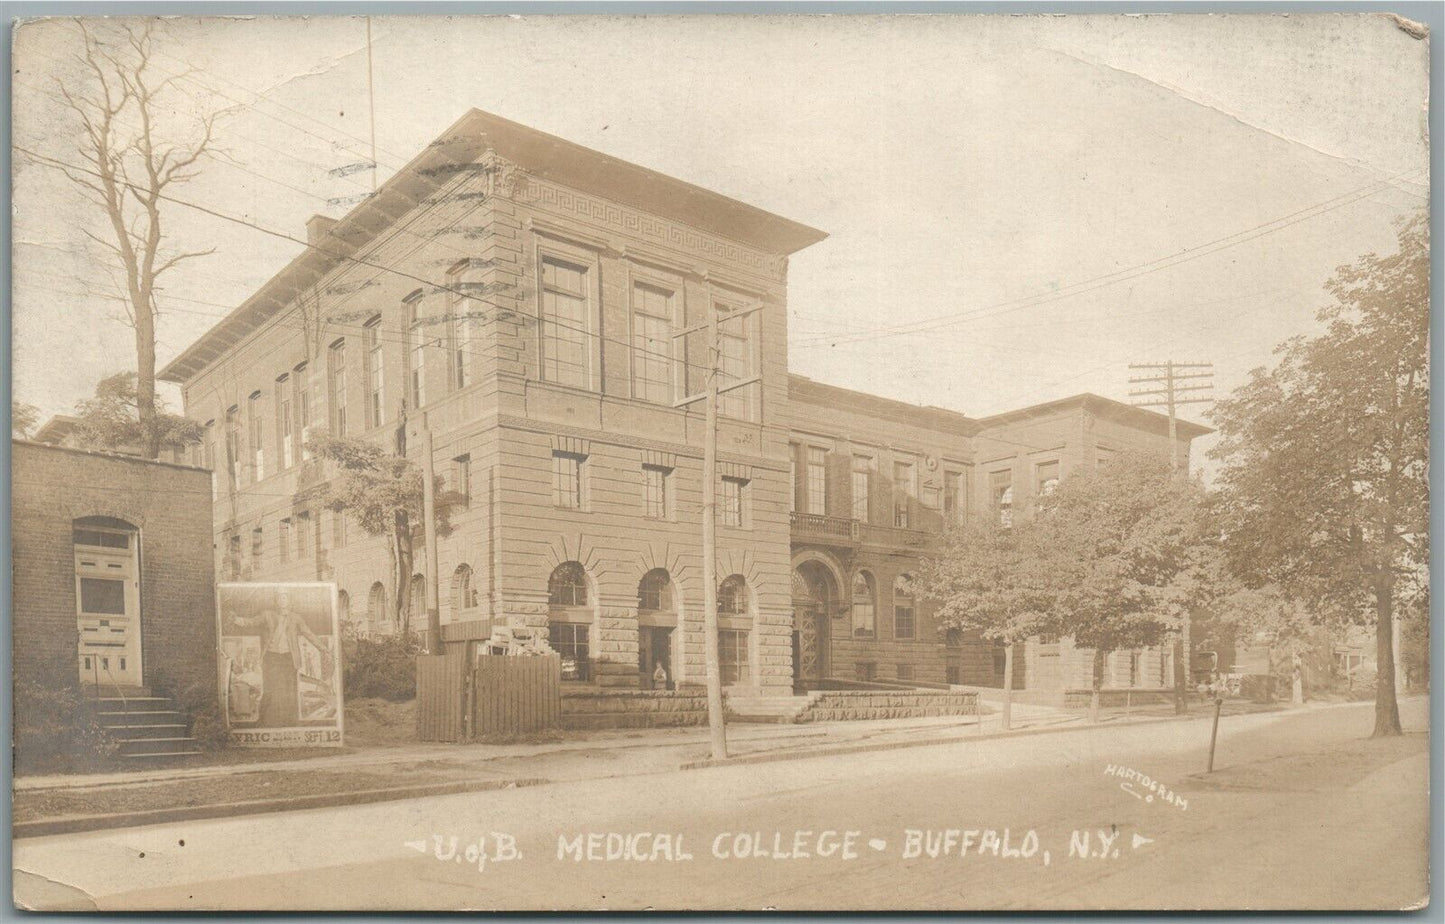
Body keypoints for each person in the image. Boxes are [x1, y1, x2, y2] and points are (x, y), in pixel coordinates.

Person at [229, 588, 333, 727]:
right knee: (270, 690)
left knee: (290, 691)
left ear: (289, 600)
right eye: (279, 598)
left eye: (284, 597)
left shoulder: (296, 618)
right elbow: (251, 622)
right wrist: (236, 619)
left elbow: (309, 634)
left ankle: (290, 722)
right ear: (276, 601)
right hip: (271, 657)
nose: (282, 600)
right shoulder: (267, 615)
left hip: (289, 658)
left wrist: (324, 649)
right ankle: (266, 722)